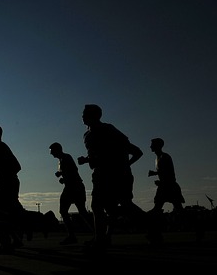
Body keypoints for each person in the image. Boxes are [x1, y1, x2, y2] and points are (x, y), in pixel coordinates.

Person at [77, 104, 147, 251]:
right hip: (100, 174)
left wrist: (125, 165)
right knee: (103, 207)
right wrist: (88, 160)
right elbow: (99, 155)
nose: (82, 116)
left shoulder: (108, 130)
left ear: (94, 116)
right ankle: (102, 238)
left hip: (115, 174)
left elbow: (131, 151)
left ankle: (151, 225)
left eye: (85, 113)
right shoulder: (87, 135)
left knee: (122, 204)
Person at [0, 124, 26, 254]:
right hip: (7, 183)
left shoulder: (0, 147)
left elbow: (17, 166)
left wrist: (3, 177)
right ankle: (15, 239)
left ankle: (6, 243)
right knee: (10, 213)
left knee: (0, 213)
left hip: (8, 184)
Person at [49, 142, 92, 245]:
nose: (51, 154)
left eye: (52, 151)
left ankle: (94, 234)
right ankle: (72, 236)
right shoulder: (61, 160)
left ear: (56, 150)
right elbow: (70, 173)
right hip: (71, 187)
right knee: (69, 211)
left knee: (78, 211)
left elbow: (73, 171)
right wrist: (63, 178)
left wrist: (62, 175)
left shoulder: (66, 158)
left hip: (74, 187)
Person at [148, 138, 185, 213]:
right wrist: (156, 173)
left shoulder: (165, 157)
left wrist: (158, 177)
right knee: (159, 206)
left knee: (177, 207)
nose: (150, 147)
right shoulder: (157, 158)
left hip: (169, 185)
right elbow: (164, 171)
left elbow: (168, 171)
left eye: (152, 145)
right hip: (164, 185)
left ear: (158, 146)